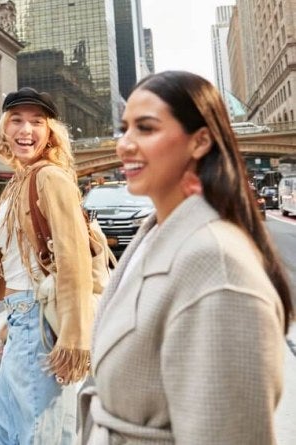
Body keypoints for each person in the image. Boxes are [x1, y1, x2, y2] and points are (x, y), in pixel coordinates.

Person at [79, 71, 293, 444]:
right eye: (124, 128)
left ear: (200, 141)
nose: (124, 144)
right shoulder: (156, 234)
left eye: (145, 128)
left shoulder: (217, 266)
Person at [0, 87, 95, 444]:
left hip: (41, 322)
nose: (27, 130)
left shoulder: (49, 177)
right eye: (17, 120)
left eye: (37, 122)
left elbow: (74, 261)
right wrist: (11, 328)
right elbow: (18, 265)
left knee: (41, 436)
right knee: (8, 430)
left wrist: (73, 338)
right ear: (4, 130)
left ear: (51, 131)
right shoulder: (18, 181)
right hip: (23, 319)